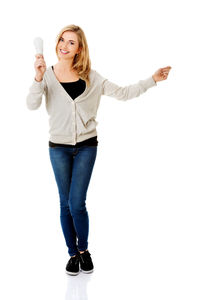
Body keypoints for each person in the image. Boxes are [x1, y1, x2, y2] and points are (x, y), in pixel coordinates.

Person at [26, 24, 171, 276]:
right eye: (62, 39)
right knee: (64, 204)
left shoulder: (92, 77)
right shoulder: (47, 75)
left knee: (77, 202)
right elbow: (31, 104)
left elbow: (124, 93)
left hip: (86, 147)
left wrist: (152, 80)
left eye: (71, 42)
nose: (64, 45)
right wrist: (38, 78)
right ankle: (72, 254)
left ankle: (84, 250)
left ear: (80, 48)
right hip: (58, 148)